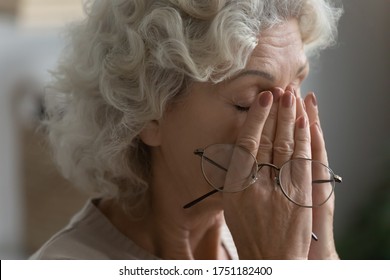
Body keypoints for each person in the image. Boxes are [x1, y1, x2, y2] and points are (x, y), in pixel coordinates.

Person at [31, 0, 343, 260]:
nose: (286, 124)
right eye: (249, 103)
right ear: (147, 113)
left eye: (296, 86)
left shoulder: (274, 230)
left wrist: (322, 258)